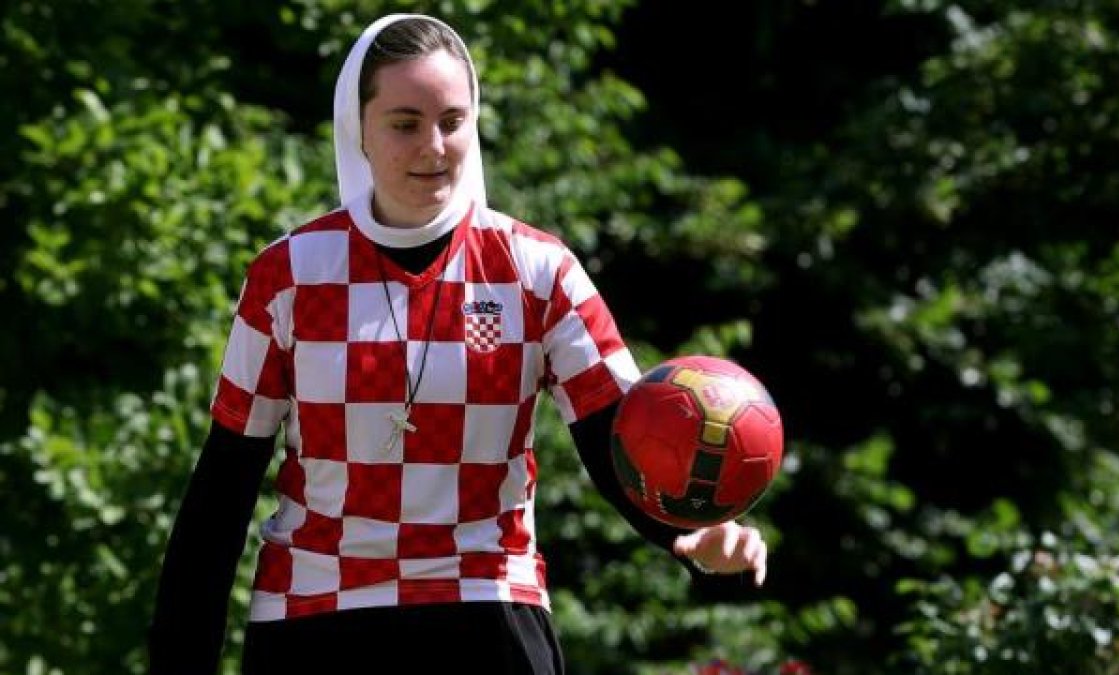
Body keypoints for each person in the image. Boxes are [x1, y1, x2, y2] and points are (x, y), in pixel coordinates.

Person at [147, 13, 769, 674]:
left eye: (452, 121)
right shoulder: (289, 274)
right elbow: (224, 483)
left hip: (488, 609)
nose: (434, 146)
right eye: (405, 123)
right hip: (315, 617)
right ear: (358, 128)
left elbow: (621, 441)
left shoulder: (539, 270)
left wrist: (693, 535)